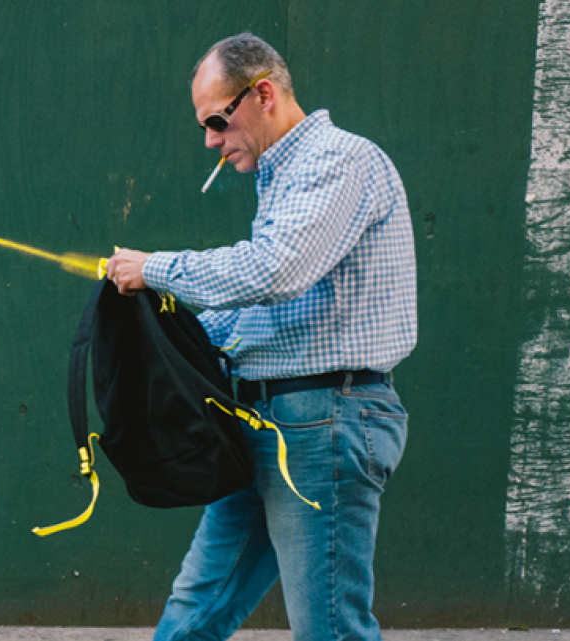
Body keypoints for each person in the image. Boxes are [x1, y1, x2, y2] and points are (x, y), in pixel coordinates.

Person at [104, 33, 417, 641]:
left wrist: (156, 268)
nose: (211, 141)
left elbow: (276, 270)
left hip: (324, 422)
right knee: (196, 607)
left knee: (329, 628)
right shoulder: (287, 175)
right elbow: (272, 312)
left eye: (218, 121)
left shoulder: (336, 161)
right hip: (265, 420)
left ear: (263, 94)